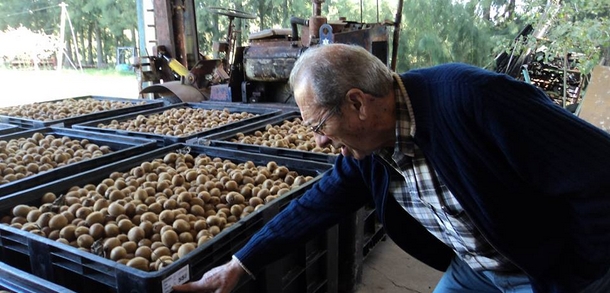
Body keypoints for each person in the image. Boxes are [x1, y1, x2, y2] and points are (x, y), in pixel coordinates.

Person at [174, 43, 610, 293]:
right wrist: (237, 265)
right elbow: (317, 203)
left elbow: (599, 171)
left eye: (319, 127)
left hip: (542, 271)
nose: (320, 142)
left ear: (358, 103)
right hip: (474, 268)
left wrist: (579, 272)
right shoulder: (369, 150)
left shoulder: (477, 100)